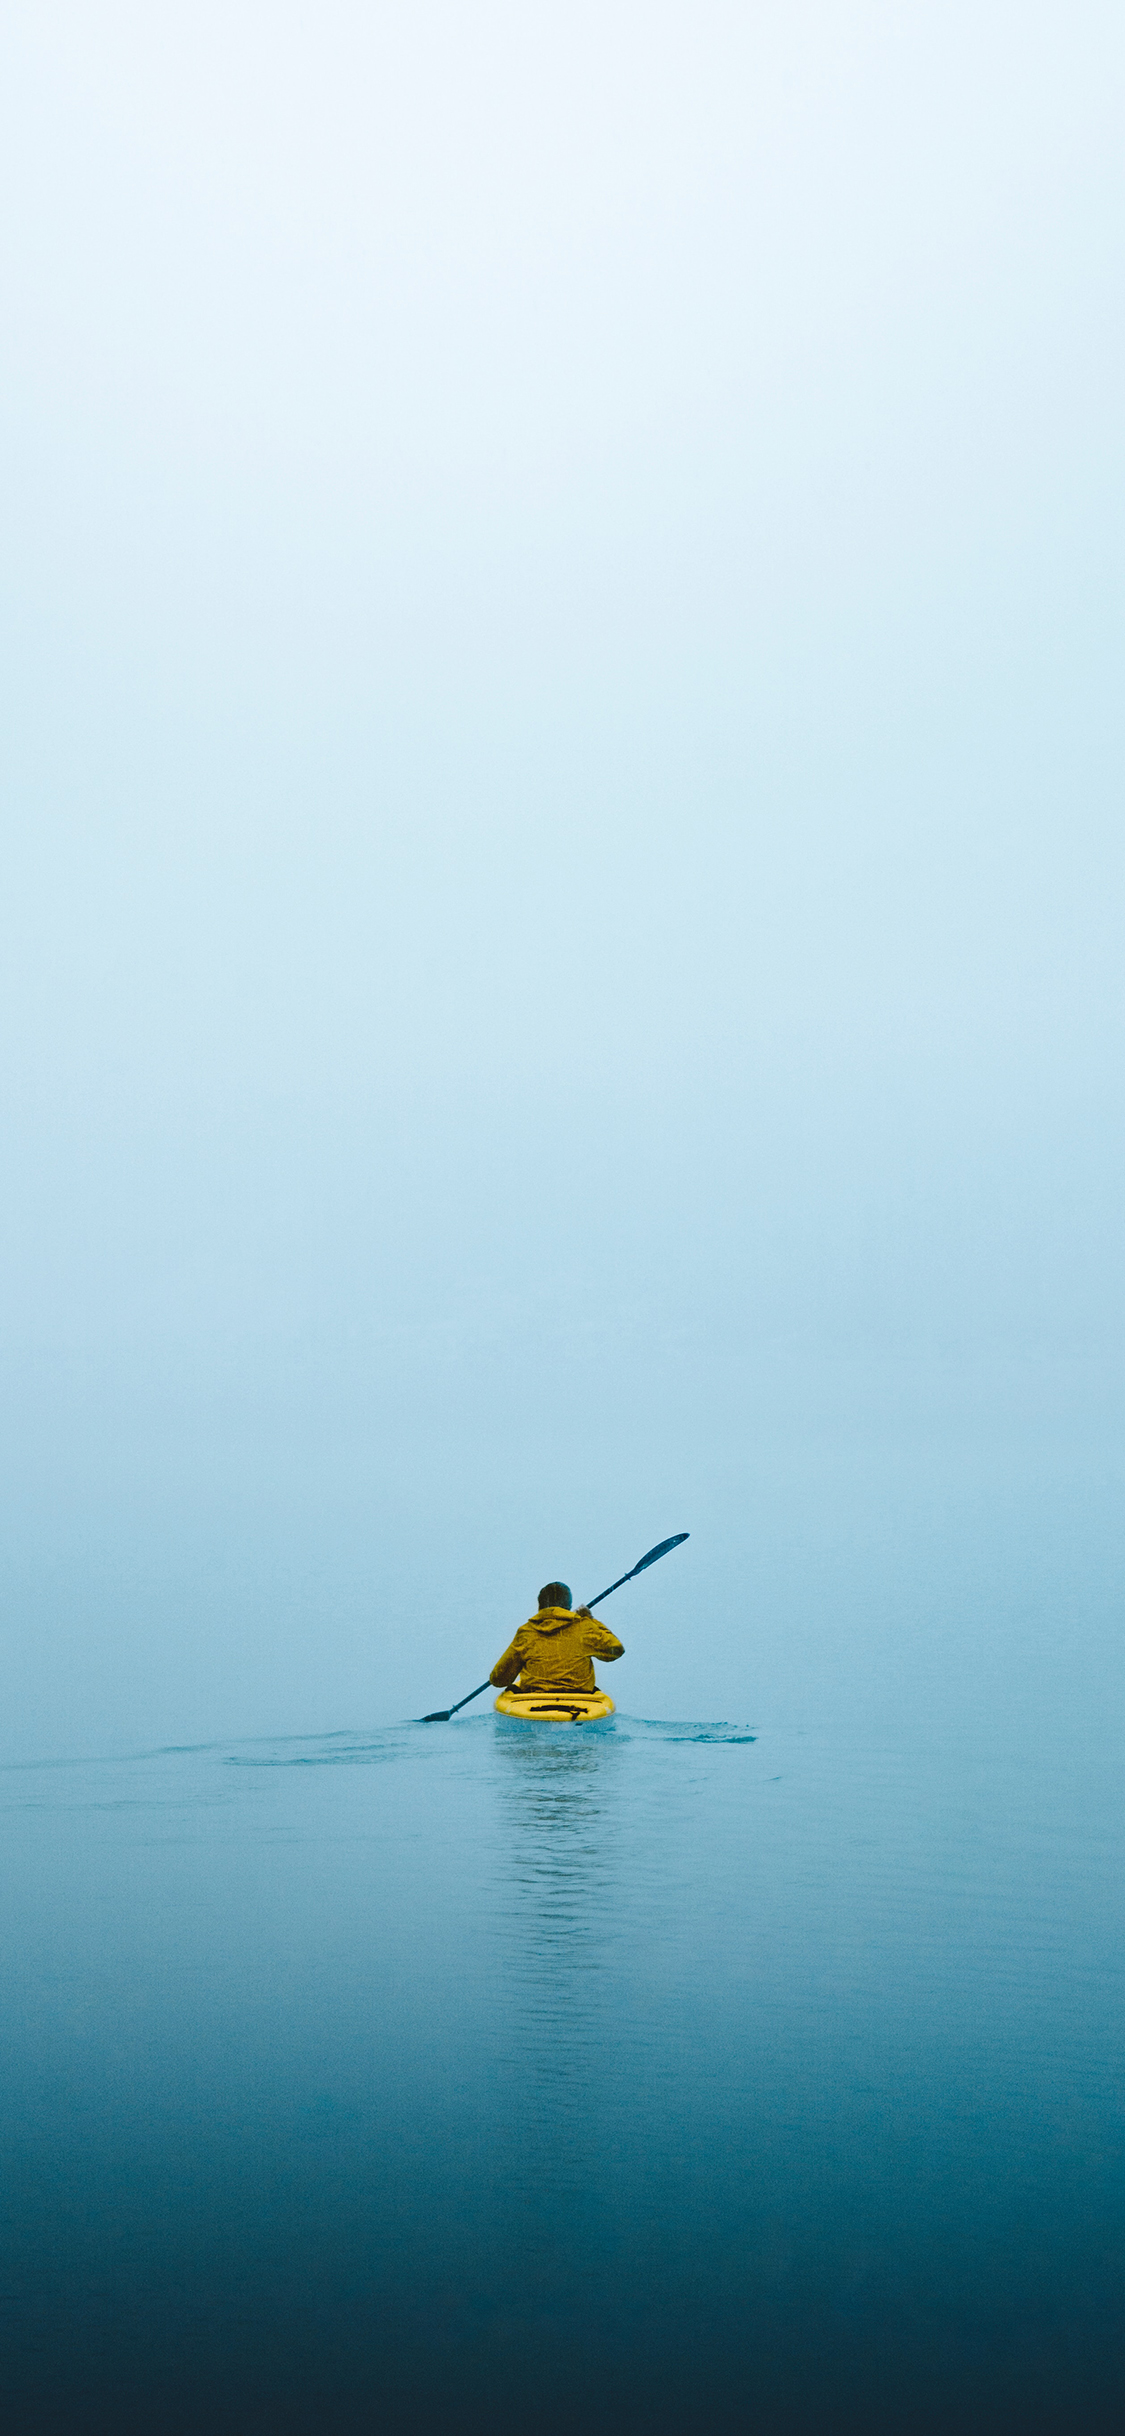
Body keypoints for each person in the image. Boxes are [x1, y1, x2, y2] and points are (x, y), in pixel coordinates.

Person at [489, 1582, 624, 1697]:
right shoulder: (584, 1627)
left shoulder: (526, 1632)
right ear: (568, 1607)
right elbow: (616, 1650)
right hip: (579, 1701)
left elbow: (499, 1680)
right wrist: (591, 1620)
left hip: (534, 1701)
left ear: (540, 1606)